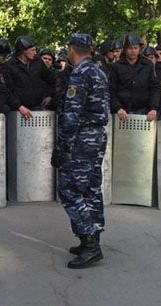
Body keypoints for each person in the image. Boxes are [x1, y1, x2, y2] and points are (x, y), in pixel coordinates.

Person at [52, 32, 109, 269]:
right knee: (91, 188)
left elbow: (72, 116)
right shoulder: (98, 71)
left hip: (81, 139)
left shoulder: (79, 74)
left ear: (71, 49)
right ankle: (92, 238)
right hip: (96, 136)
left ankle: (90, 242)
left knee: (69, 188)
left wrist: (62, 146)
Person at [108, 32, 160, 121]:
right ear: (124, 49)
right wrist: (117, 107)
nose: (133, 51)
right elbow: (111, 89)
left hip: (143, 110)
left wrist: (153, 108)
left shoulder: (148, 65)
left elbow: (154, 88)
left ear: (139, 48)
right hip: (121, 111)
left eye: (135, 48)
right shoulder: (116, 66)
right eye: (130, 48)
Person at [3, 35, 55, 117]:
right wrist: (19, 106)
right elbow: (7, 90)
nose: (35, 53)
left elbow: (50, 78)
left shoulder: (38, 62)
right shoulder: (9, 66)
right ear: (24, 51)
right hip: (17, 109)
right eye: (32, 50)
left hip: (38, 106)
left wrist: (50, 95)